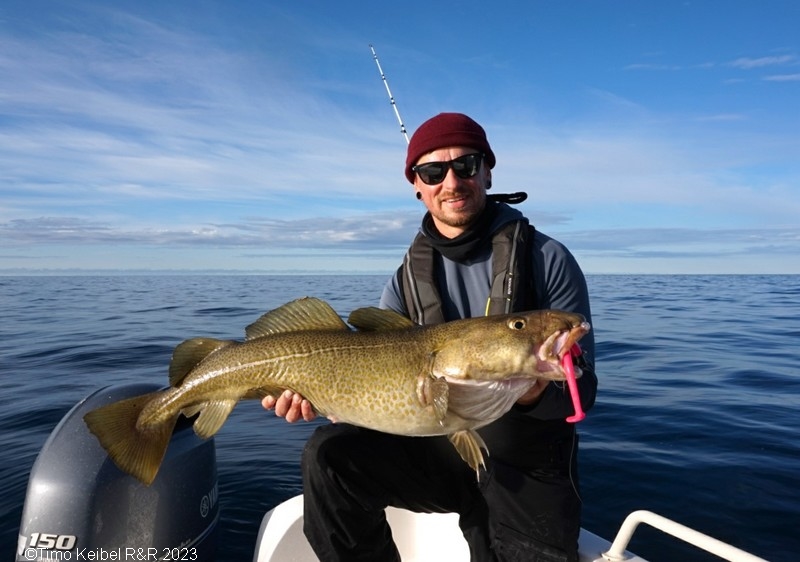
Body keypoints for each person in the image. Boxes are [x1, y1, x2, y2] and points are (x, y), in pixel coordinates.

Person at [263, 112, 597, 562]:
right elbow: (375, 377)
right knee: (329, 456)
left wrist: (535, 392)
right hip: (438, 446)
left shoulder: (548, 258)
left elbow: (584, 390)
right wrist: (320, 396)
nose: (452, 182)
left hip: (527, 464)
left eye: (467, 165)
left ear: (488, 170)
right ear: (417, 186)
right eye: (433, 171)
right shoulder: (405, 279)